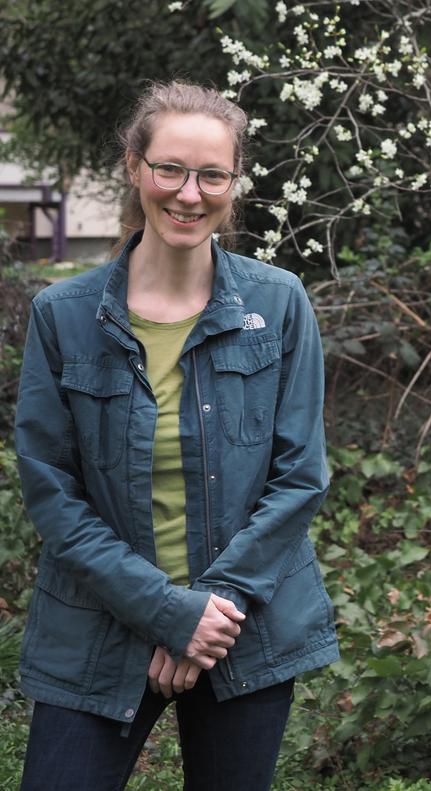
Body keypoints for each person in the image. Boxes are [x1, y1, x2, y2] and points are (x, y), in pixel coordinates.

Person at [14, 80, 339, 790]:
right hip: (96, 630)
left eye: (212, 174)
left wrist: (208, 611)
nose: (189, 194)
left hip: (240, 629)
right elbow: (52, 493)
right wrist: (168, 610)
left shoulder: (279, 303)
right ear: (134, 165)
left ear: (234, 181)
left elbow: (300, 476)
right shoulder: (62, 316)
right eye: (170, 168)